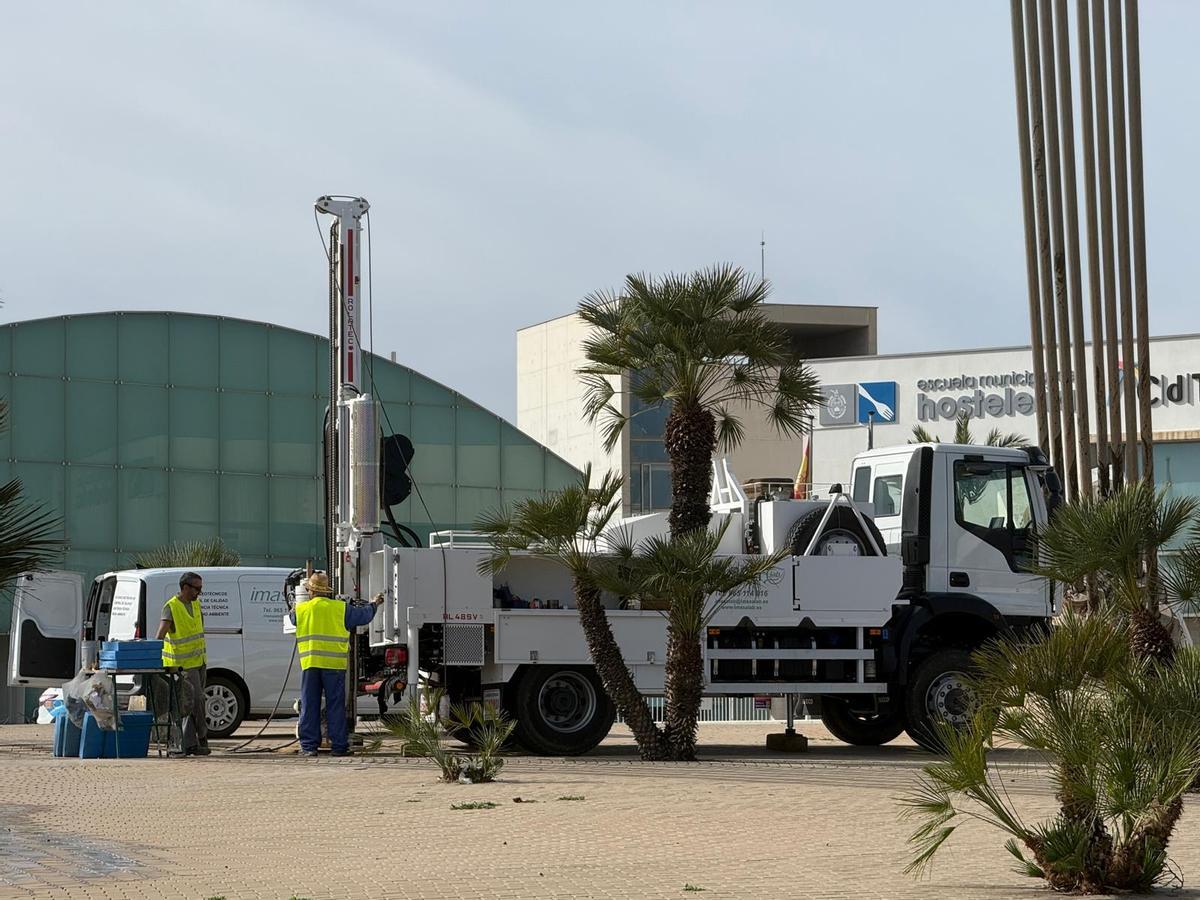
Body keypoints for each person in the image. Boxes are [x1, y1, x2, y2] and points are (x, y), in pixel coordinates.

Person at [289, 571, 381, 757]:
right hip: (334, 665)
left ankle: (309, 747)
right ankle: (339, 747)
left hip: (310, 664)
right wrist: (374, 603)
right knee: (335, 706)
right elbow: (363, 616)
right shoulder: (341, 609)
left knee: (309, 704)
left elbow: (291, 618)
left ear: (311, 592)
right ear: (327, 591)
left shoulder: (302, 610)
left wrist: (296, 603)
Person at [156, 571, 209, 757]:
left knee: (196, 704)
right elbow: (160, 636)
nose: (199, 593)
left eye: (201, 589)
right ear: (185, 587)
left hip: (200, 661)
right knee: (196, 700)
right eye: (197, 589)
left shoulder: (196, 604)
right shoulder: (171, 607)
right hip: (183, 665)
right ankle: (202, 738)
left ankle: (191, 743)